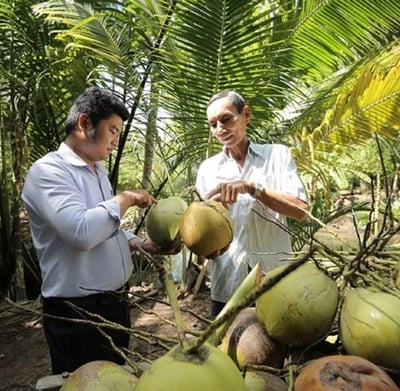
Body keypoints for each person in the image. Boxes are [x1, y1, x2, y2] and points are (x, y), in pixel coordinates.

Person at [22, 86, 179, 374]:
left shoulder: (98, 171)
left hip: (115, 303)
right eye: (113, 131)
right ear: (85, 123)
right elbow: (81, 232)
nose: (115, 141)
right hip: (78, 313)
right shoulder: (47, 172)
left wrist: (139, 242)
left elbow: (106, 227)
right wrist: (126, 199)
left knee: (115, 379)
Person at [195, 90, 309, 318]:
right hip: (227, 283)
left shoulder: (277, 155)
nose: (220, 129)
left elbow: (301, 210)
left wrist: (253, 188)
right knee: (226, 349)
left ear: (246, 114)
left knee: (278, 349)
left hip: (275, 282)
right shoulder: (207, 169)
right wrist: (207, 237)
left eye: (226, 119)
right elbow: (200, 239)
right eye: (213, 124)